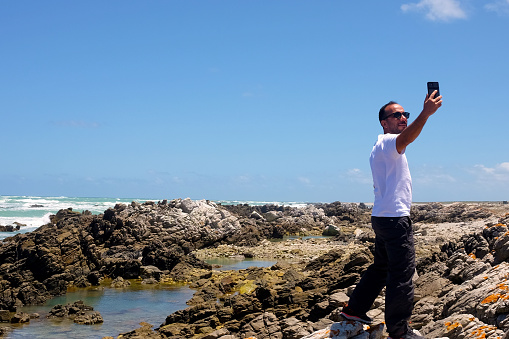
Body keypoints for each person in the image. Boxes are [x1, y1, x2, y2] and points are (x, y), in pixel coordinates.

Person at [340, 90, 443, 339]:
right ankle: (399, 330)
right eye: (396, 115)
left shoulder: (381, 146)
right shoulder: (388, 142)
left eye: (404, 114)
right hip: (395, 219)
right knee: (402, 274)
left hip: (382, 217)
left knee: (381, 267)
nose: (402, 117)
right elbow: (408, 137)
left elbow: (406, 137)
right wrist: (426, 113)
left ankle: (354, 310)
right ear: (384, 122)